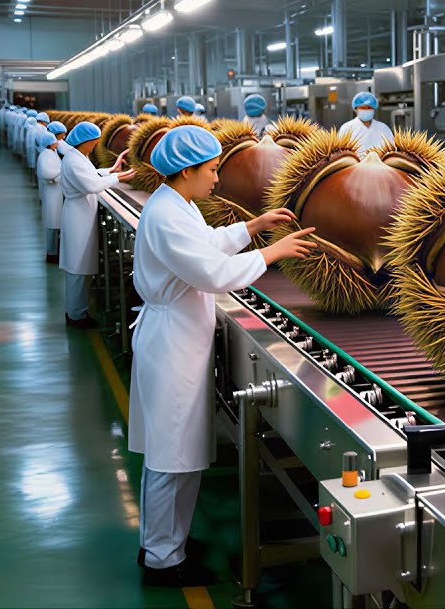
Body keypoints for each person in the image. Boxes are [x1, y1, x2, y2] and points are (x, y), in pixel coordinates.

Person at [127, 124, 315, 587]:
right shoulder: (167, 215)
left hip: (180, 340)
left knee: (180, 453)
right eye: (211, 170)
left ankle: (167, 542)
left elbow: (206, 244)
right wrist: (271, 254)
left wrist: (252, 227)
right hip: (171, 346)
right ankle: (161, 559)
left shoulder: (178, 204)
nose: (217, 178)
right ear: (186, 170)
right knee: (171, 457)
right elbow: (213, 272)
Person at [59, 121, 134, 329]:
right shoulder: (73, 161)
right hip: (77, 217)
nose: (95, 145)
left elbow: (91, 174)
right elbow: (92, 185)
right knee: (77, 268)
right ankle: (75, 315)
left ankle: (78, 311)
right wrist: (118, 177)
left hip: (82, 215)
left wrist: (112, 170)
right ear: (85, 140)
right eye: (94, 141)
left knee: (81, 268)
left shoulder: (78, 157)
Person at [37, 132, 64, 264]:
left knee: (55, 223)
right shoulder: (45, 155)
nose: (57, 142)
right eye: (55, 141)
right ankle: (51, 254)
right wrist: (62, 172)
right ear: (50, 143)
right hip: (51, 194)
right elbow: (45, 173)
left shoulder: (52, 153)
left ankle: (55, 252)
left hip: (56, 192)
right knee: (52, 224)